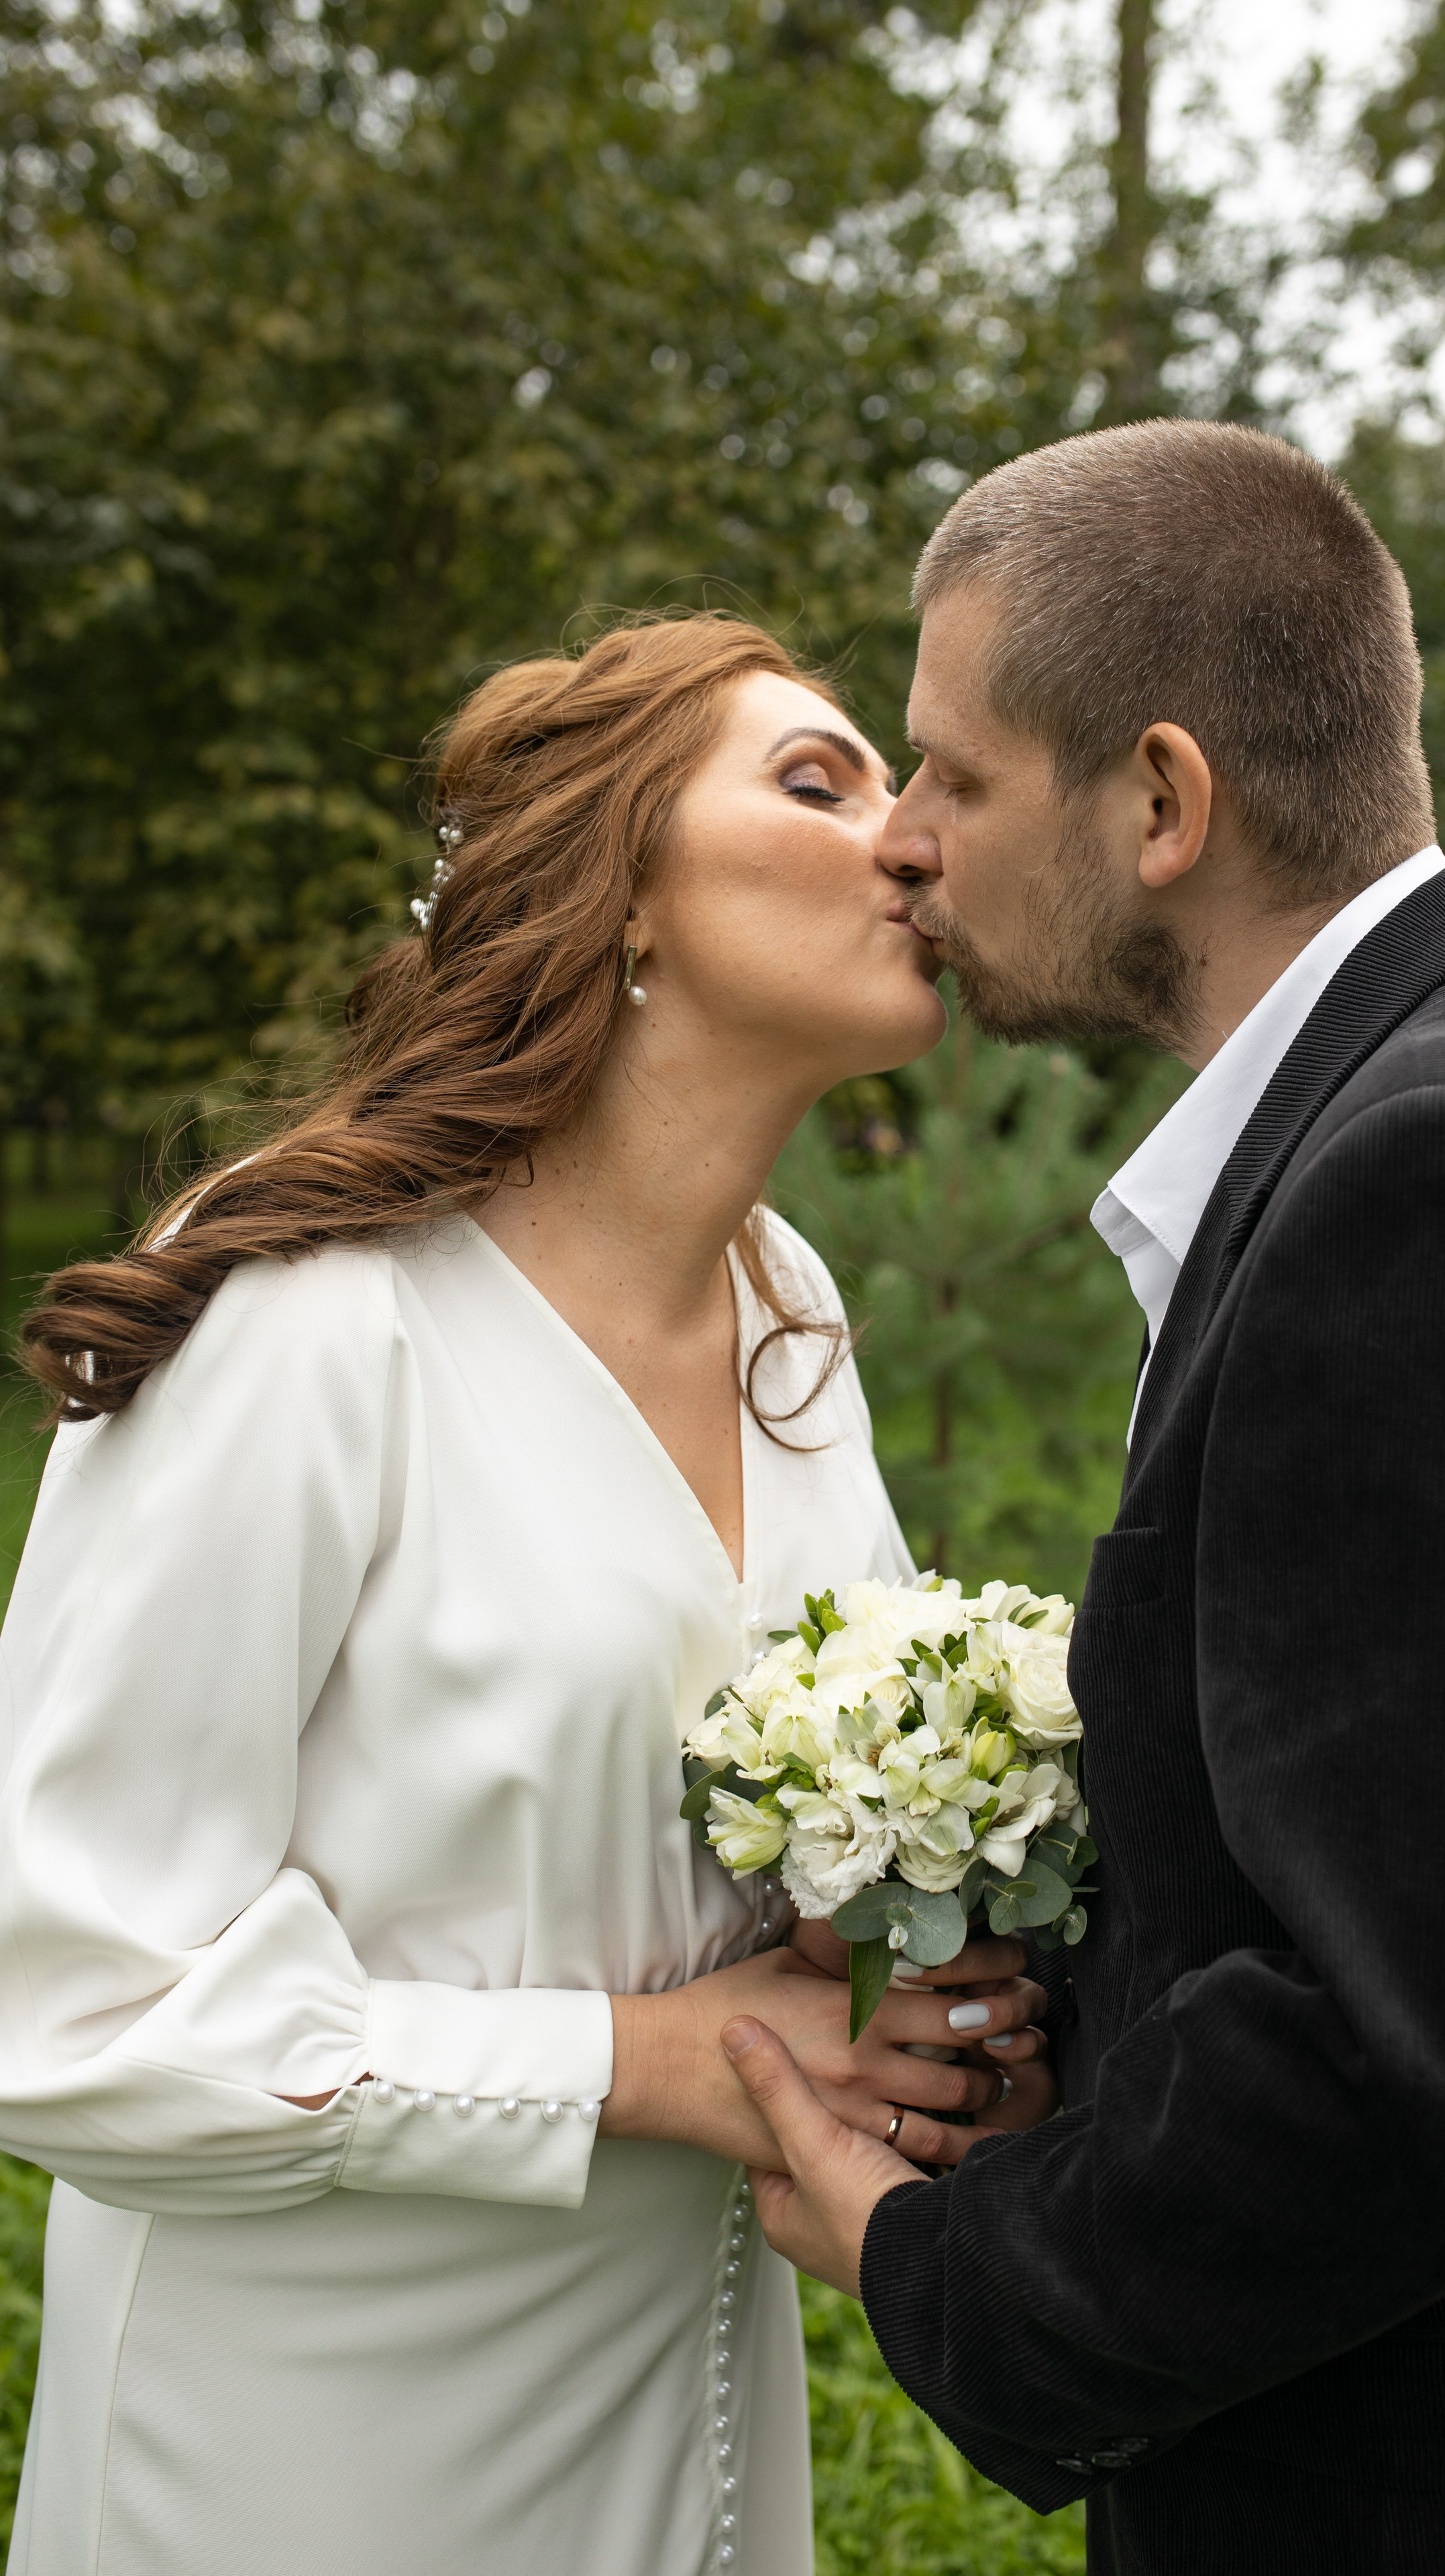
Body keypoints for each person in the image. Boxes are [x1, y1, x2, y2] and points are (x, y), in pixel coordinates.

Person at [724, 421, 1445, 2573]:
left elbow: (1427, 2060)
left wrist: (943, 2263)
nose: (900, 840)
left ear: (1163, 801)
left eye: (955, 776)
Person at [0, 614, 1053, 2576]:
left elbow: (782, 1846)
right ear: (622, 893)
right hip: (316, 2455)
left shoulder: (788, 1305)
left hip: (678, 2417)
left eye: (901, 787)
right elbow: (69, 2008)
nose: (912, 839)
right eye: (818, 782)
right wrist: (659, 2065)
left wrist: (915, 1986)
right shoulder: (306, 1327)